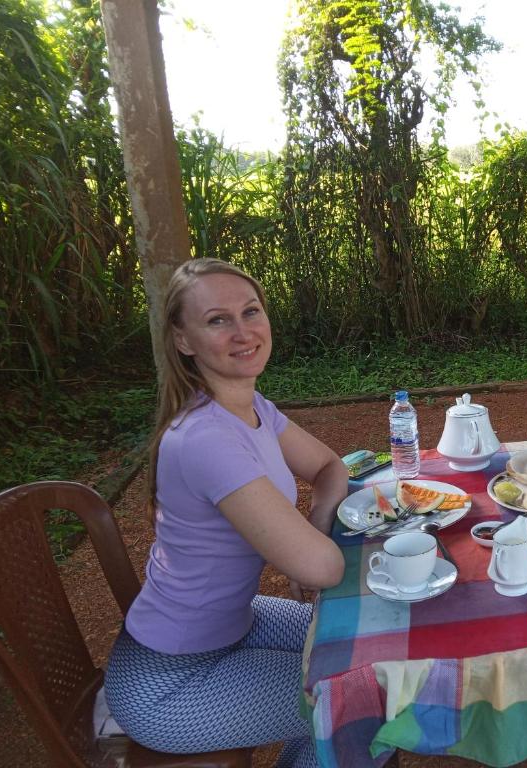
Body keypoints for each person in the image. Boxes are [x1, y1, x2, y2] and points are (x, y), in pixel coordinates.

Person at [104, 258, 348, 767]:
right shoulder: (205, 438)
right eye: (218, 319)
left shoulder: (251, 405)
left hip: (236, 622)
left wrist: (316, 522)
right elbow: (321, 568)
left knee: (351, 639)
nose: (243, 331)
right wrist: (309, 548)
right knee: (354, 693)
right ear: (184, 339)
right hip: (169, 683)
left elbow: (328, 466)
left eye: (250, 311)